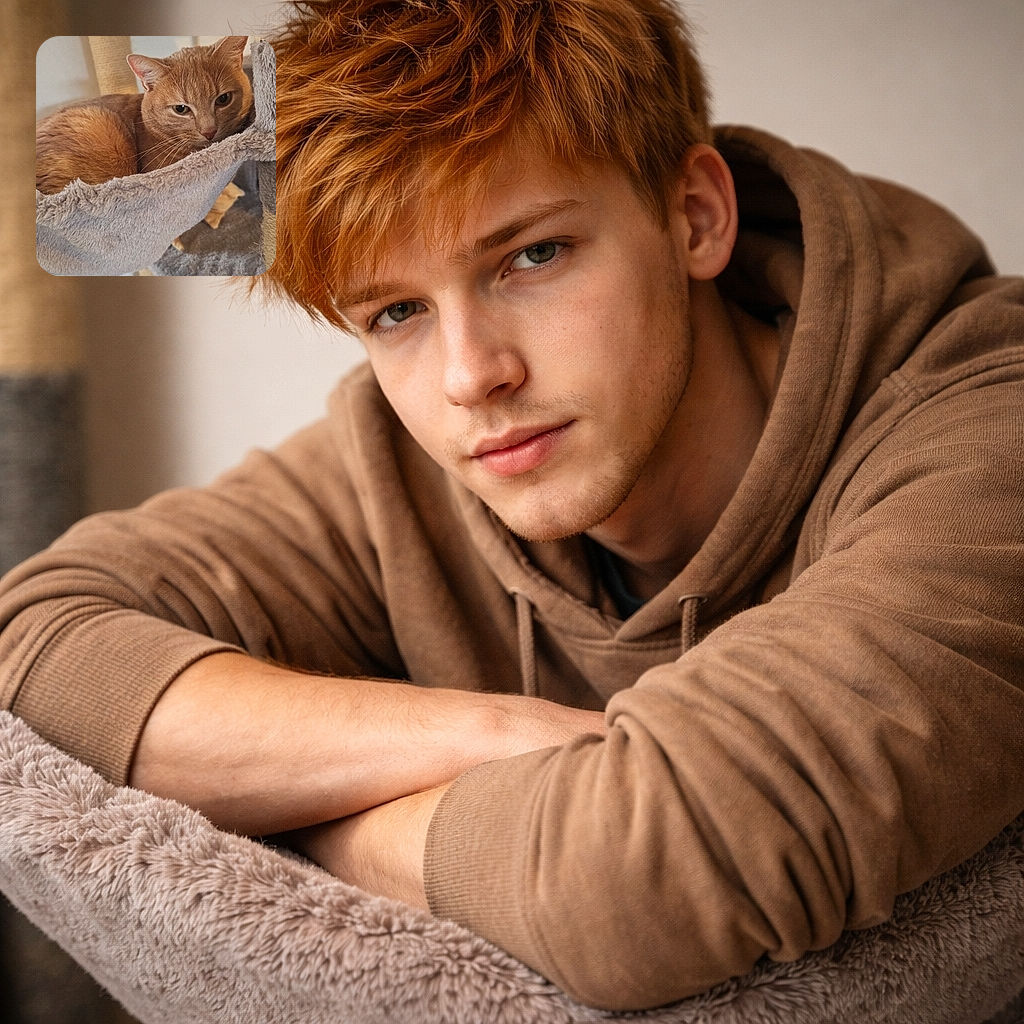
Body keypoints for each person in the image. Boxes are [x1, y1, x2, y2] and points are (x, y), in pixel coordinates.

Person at [3, 0, 1024, 1011]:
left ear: (694, 216)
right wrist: (491, 734)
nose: (469, 377)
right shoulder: (404, 463)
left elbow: (639, 879)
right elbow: (37, 643)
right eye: (395, 311)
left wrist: (296, 823)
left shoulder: (986, 428)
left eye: (530, 255)